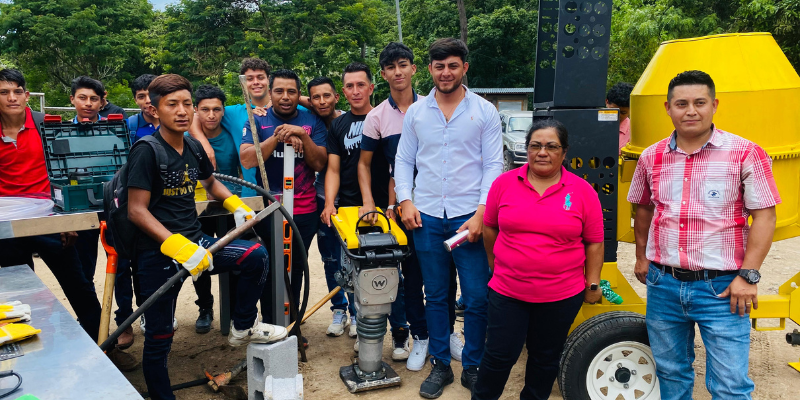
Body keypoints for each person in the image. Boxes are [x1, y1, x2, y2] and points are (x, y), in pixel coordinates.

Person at [126, 74, 287, 400]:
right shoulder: (147, 150)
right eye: (173, 104)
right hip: (157, 254)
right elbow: (136, 210)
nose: (183, 110)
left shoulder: (193, 146)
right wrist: (175, 245)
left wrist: (235, 204)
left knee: (256, 256)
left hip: (197, 242)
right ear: (155, 110)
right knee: (160, 336)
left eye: (187, 103)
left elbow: (211, 183)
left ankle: (242, 326)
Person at [628, 70, 780, 400]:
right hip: (663, 285)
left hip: (723, 289)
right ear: (668, 108)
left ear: (714, 105)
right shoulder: (650, 156)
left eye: (700, 102)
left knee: (730, 385)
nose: (691, 111)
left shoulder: (745, 152)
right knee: (671, 374)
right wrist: (642, 256)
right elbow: (643, 208)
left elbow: (765, 216)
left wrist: (748, 275)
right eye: (681, 104)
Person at [0, 68, 137, 370]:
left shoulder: (45, 126)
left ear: (26, 94)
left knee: (79, 287)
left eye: (17, 90)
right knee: (19, 293)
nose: (11, 97)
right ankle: (28, 360)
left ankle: (106, 348)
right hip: (6, 227)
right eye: (3, 92)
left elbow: (67, 173)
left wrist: (67, 220)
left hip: (50, 219)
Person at [394, 38, 502, 398]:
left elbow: (493, 166)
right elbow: (404, 161)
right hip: (425, 217)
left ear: (464, 68)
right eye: (439, 67)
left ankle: (472, 364)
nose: (446, 73)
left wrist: (482, 214)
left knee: (476, 297)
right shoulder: (417, 113)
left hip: (468, 220)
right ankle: (441, 363)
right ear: (429, 70)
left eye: (453, 66)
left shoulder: (484, 111)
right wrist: (405, 201)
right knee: (437, 295)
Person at [472, 119, 604, 400]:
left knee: (545, 359)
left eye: (551, 146)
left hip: (560, 295)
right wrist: (496, 266)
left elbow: (594, 242)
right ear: (527, 149)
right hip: (508, 292)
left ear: (564, 152)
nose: (542, 152)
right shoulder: (504, 184)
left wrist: (592, 285)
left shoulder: (582, 191)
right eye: (535, 146)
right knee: (497, 357)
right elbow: (490, 227)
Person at [359, 41, 462, 372]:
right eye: (390, 67)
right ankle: (420, 336)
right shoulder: (376, 117)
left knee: (446, 276)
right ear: (384, 74)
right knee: (413, 277)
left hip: (442, 206)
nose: (398, 71)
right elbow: (365, 164)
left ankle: (445, 335)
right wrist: (370, 203)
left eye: (403, 64)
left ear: (416, 69)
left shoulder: (435, 106)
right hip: (404, 208)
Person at [319, 62, 413, 359]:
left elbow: (397, 167)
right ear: (342, 91)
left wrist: (393, 203)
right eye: (349, 86)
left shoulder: (384, 118)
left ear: (372, 87)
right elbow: (333, 168)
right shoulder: (338, 125)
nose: (356, 91)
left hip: (383, 208)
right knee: (353, 273)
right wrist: (329, 202)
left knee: (388, 269)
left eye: (362, 85)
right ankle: (364, 328)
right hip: (348, 210)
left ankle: (400, 333)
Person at [240, 69, 328, 335]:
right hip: (269, 209)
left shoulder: (312, 121)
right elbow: (247, 159)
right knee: (270, 265)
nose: (286, 97)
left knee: (295, 267)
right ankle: (270, 322)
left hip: (304, 209)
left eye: (291, 91)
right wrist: (277, 136)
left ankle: (292, 323)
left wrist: (302, 135)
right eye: (279, 91)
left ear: (298, 94)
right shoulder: (257, 120)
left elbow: (320, 163)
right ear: (270, 93)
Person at [306, 76, 356, 338]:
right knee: (329, 258)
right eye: (316, 97)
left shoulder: (350, 120)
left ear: (337, 97)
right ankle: (339, 309)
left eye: (327, 95)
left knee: (354, 257)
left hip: (349, 201)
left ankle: (358, 312)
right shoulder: (309, 120)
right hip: (321, 199)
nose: (322, 101)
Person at [190, 84, 241, 334]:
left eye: (216, 109)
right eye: (205, 109)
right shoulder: (188, 138)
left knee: (233, 256)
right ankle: (205, 307)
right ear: (196, 111)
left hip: (231, 203)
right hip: (199, 207)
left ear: (223, 111)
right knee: (200, 259)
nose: (211, 115)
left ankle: (231, 310)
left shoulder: (232, 132)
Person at [190, 58, 271, 198]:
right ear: (243, 83)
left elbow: (314, 104)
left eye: (260, 77)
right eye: (250, 78)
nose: (256, 82)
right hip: (250, 194)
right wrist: (204, 145)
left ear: (269, 79)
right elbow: (196, 116)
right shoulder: (234, 113)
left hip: (283, 191)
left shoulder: (286, 109)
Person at [70, 76, 108, 287]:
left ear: (102, 102)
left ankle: (125, 315)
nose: (88, 103)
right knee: (84, 267)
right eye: (82, 98)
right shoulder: (59, 133)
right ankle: (89, 318)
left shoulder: (116, 130)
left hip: (112, 203)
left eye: (94, 98)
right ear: (72, 99)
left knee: (122, 265)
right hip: (79, 206)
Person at [127, 74, 160, 143]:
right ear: (135, 100)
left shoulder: (174, 122)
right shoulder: (128, 126)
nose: (148, 101)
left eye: (152, 95)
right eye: (141, 97)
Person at [606, 82, 633, 153]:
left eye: (623, 113)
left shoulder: (633, 132)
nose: (617, 116)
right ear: (606, 102)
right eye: (613, 111)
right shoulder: (592, 123)